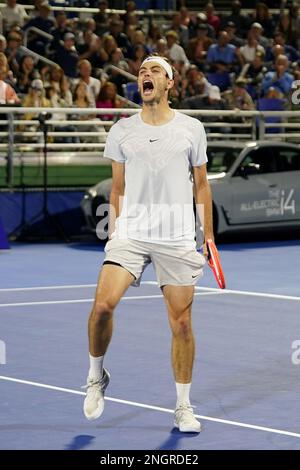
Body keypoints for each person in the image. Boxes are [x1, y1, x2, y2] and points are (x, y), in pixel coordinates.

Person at [83, 54, 215, 433]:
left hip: (175, 236)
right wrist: (115, 231)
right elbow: (118, 188)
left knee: (182, 324)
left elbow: (202, 185)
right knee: (102, 308)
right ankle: (96, 377)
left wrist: (206, 234)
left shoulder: (191, 129)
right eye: (142, 70)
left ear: (170, 83)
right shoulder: (121, 130)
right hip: (132, 232)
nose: (146, 74)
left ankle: (183, 407)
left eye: (156, 70)